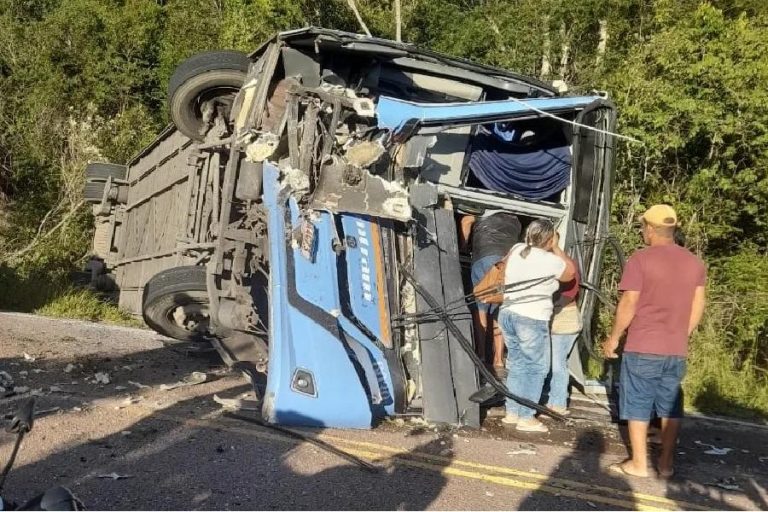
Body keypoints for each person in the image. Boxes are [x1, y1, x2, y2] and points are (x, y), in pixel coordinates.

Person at [603, 204, 706, 478]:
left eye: (642, 227)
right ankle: (665, 464)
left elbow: (629, 302)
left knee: (637, 403)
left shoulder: (641, 259)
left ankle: (638, 463)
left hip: (644, 345)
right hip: (675, 349)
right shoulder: (694, 263)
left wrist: (613, 338)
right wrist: (683, 333)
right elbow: (698, 304)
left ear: (650, 228)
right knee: (670, 405)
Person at [498, 219, 575, 432]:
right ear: (549, 239)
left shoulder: (517, 248)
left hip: (508, 312)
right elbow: (570, 273)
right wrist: (556, 247)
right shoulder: (552, 261)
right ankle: (527, 416)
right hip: (532, 317)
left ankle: (512, 411)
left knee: (517, 364)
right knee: (536, 368)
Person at [460, 211, 522, 374]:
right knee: (499, 308)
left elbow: (466, 221)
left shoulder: (482, 211)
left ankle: (481, 354)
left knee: (480, 307)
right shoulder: (515, 218)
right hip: (505, 262)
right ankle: (498, 359)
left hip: (483, 257)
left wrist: (464, 245)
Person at [546, 256, 581, 416]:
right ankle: (554, 400)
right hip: (564, 318)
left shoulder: (566, 265)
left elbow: (569, 293)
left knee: (558, 363)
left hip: (564, 319)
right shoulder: (563, 263)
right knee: (557, 362)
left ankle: (558, 403)